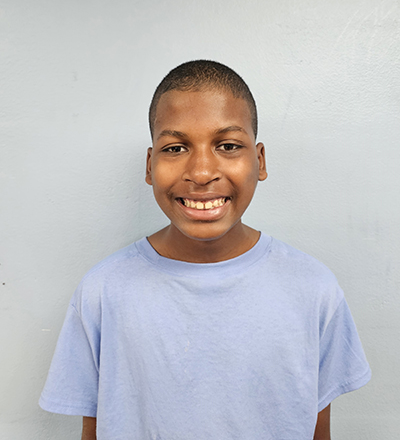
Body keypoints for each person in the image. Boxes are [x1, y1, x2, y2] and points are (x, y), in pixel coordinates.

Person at [39, 60, 371, 440]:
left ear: (259, 160)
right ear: (150, 165)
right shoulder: (103, 292)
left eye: (228, 146)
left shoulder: (313, 289)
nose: (201, 172)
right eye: (176, 147)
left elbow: (317, 430)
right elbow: (94, 430)